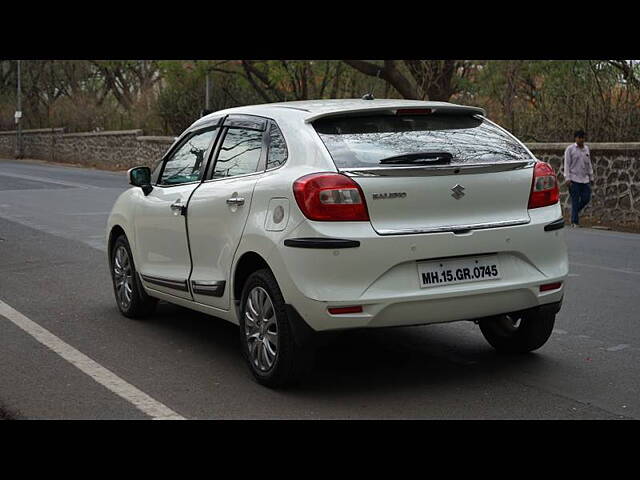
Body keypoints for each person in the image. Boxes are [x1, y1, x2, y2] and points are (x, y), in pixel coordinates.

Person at [564, 130, 594, 227]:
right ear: (575, 138)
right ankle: (574, 222)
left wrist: (591, 176)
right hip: (573, 179)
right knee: (575, 200)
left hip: (584, 179)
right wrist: (567, 178)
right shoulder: (570, 149)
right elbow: (567, 164)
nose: (581, 140)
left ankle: (574, 212)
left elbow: (588, 164)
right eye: (579, 137)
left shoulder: (586, 149)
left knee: (586, 198)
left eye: (583, 137)